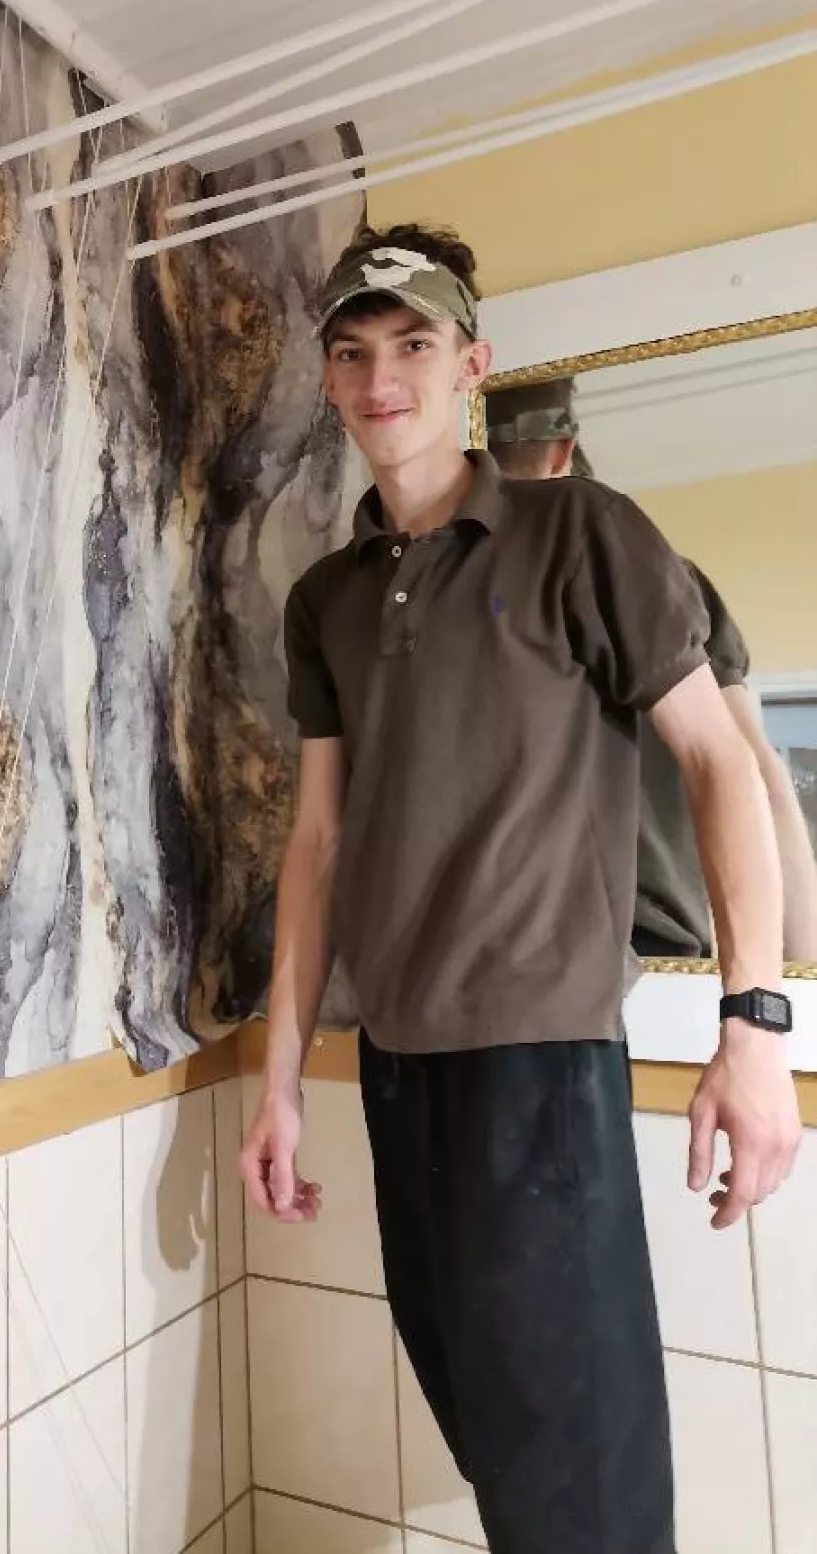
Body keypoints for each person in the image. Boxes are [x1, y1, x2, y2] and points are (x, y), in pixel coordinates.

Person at [239, 223, 802, 1554]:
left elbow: (720, 760)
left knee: (580, 1497)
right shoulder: (324, 599)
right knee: (493, 1444)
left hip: (538, 1064)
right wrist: (280, 1077)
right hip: (395, 1063)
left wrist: (755, 1023)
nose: (381, 378)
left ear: (471, 365)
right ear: (328, 378)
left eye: (413, 345)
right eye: (352, 352)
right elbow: (316, 841)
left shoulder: (579, 532)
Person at [487, 378, 817, 964]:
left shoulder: (660, 581)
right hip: (551, 947)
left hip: (620, 943)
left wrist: (791, 985)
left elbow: (754, 777)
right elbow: (759, 780)